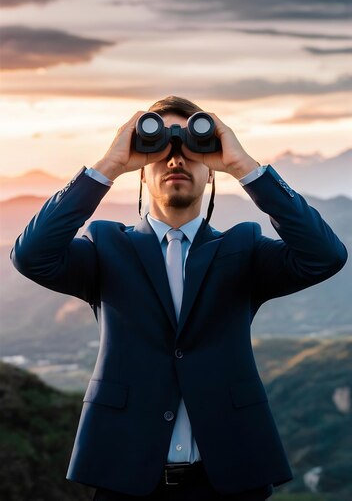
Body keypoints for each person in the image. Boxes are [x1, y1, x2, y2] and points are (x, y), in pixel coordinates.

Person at [11, 96, 347, 501]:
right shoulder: (105, 248)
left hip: (230, 477)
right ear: (140, 171)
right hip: (126, 476)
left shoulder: (244, 250)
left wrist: (246, 168)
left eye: (191, 149)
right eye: (161, 149)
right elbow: (31, 255)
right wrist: (108, 166)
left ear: (211, 172)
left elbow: (325, 256)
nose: (176, 160)